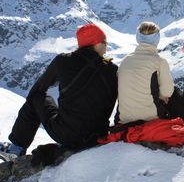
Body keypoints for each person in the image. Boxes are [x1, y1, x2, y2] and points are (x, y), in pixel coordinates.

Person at [0, 23, 118, 158]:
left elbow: (38, 89)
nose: (106, 47)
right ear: (96, 43)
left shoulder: (63, 61)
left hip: (67, 135)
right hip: (99, 136)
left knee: (36, 97)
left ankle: (16, 149)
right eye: (105, 42)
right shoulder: (112, 69)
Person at [117, 21, 174, 123]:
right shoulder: (160, 61)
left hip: (124, 119)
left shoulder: (125, 61)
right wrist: (161, 95)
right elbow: (167, 92)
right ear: (157, 39)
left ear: (138, 38)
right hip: (151, 117)